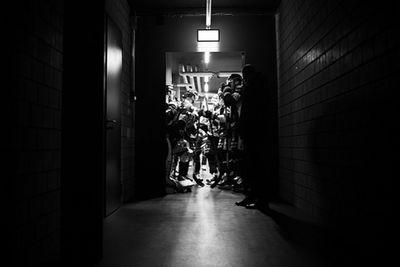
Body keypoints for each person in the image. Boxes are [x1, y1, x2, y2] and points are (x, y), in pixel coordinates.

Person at [235, 64, 271, 209]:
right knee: (251, 167)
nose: (244, 80)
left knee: (256, 167)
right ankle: (252, 196)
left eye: (244, 77)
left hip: (254, 132)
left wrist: (244, 129)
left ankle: (260, 199)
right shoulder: (256, 86)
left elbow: (251, 112)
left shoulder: (255, 88)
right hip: (254, 131)